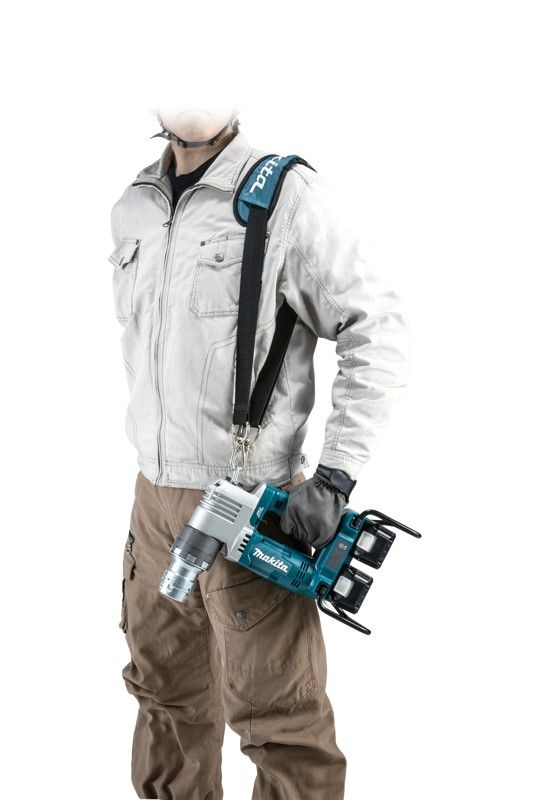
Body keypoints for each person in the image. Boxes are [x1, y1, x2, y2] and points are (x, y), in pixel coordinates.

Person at [108, 101, 410, 800]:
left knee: (281, 724)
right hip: (154, 503)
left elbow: (378, 325)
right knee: (164, 702)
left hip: (249, 506)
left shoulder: (285, 198)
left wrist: (334, 476)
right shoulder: (135, 206)